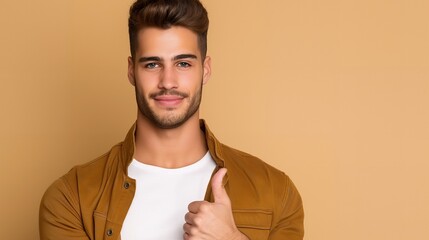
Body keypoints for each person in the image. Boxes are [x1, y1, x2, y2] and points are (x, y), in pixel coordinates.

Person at [39, 0, 304, 239]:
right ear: (132, 71)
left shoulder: (275, 192)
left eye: (183, 64)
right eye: (152, 64)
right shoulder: (70, 198)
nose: (168, 82)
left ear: (206, 69)